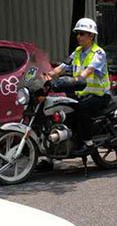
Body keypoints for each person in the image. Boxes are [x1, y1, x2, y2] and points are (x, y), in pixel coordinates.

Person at [46, 18, 111, 155]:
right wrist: (45, 77)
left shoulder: (98, 53)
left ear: (91, 35)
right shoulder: (77, 52)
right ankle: (54, 151)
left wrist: (72, 80)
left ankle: (88, 142)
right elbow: (61, 68)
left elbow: (87, 72)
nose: (78, 36)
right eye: (77, 33)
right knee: (61, 109)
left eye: (82, 33)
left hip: (99, 95)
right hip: (82, 94)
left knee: (81, 108)